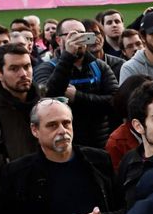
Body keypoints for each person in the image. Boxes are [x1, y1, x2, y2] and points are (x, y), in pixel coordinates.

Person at [35, 18, 118, 149]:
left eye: (82, 34)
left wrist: (78, 97)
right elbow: (47, 98)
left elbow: (115, 102)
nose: (79, 39)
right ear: (58, 40)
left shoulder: (100, 66)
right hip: (64, 145)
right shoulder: (46, 68)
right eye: (73, 35)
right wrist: (68, 56)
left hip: (99, 144)